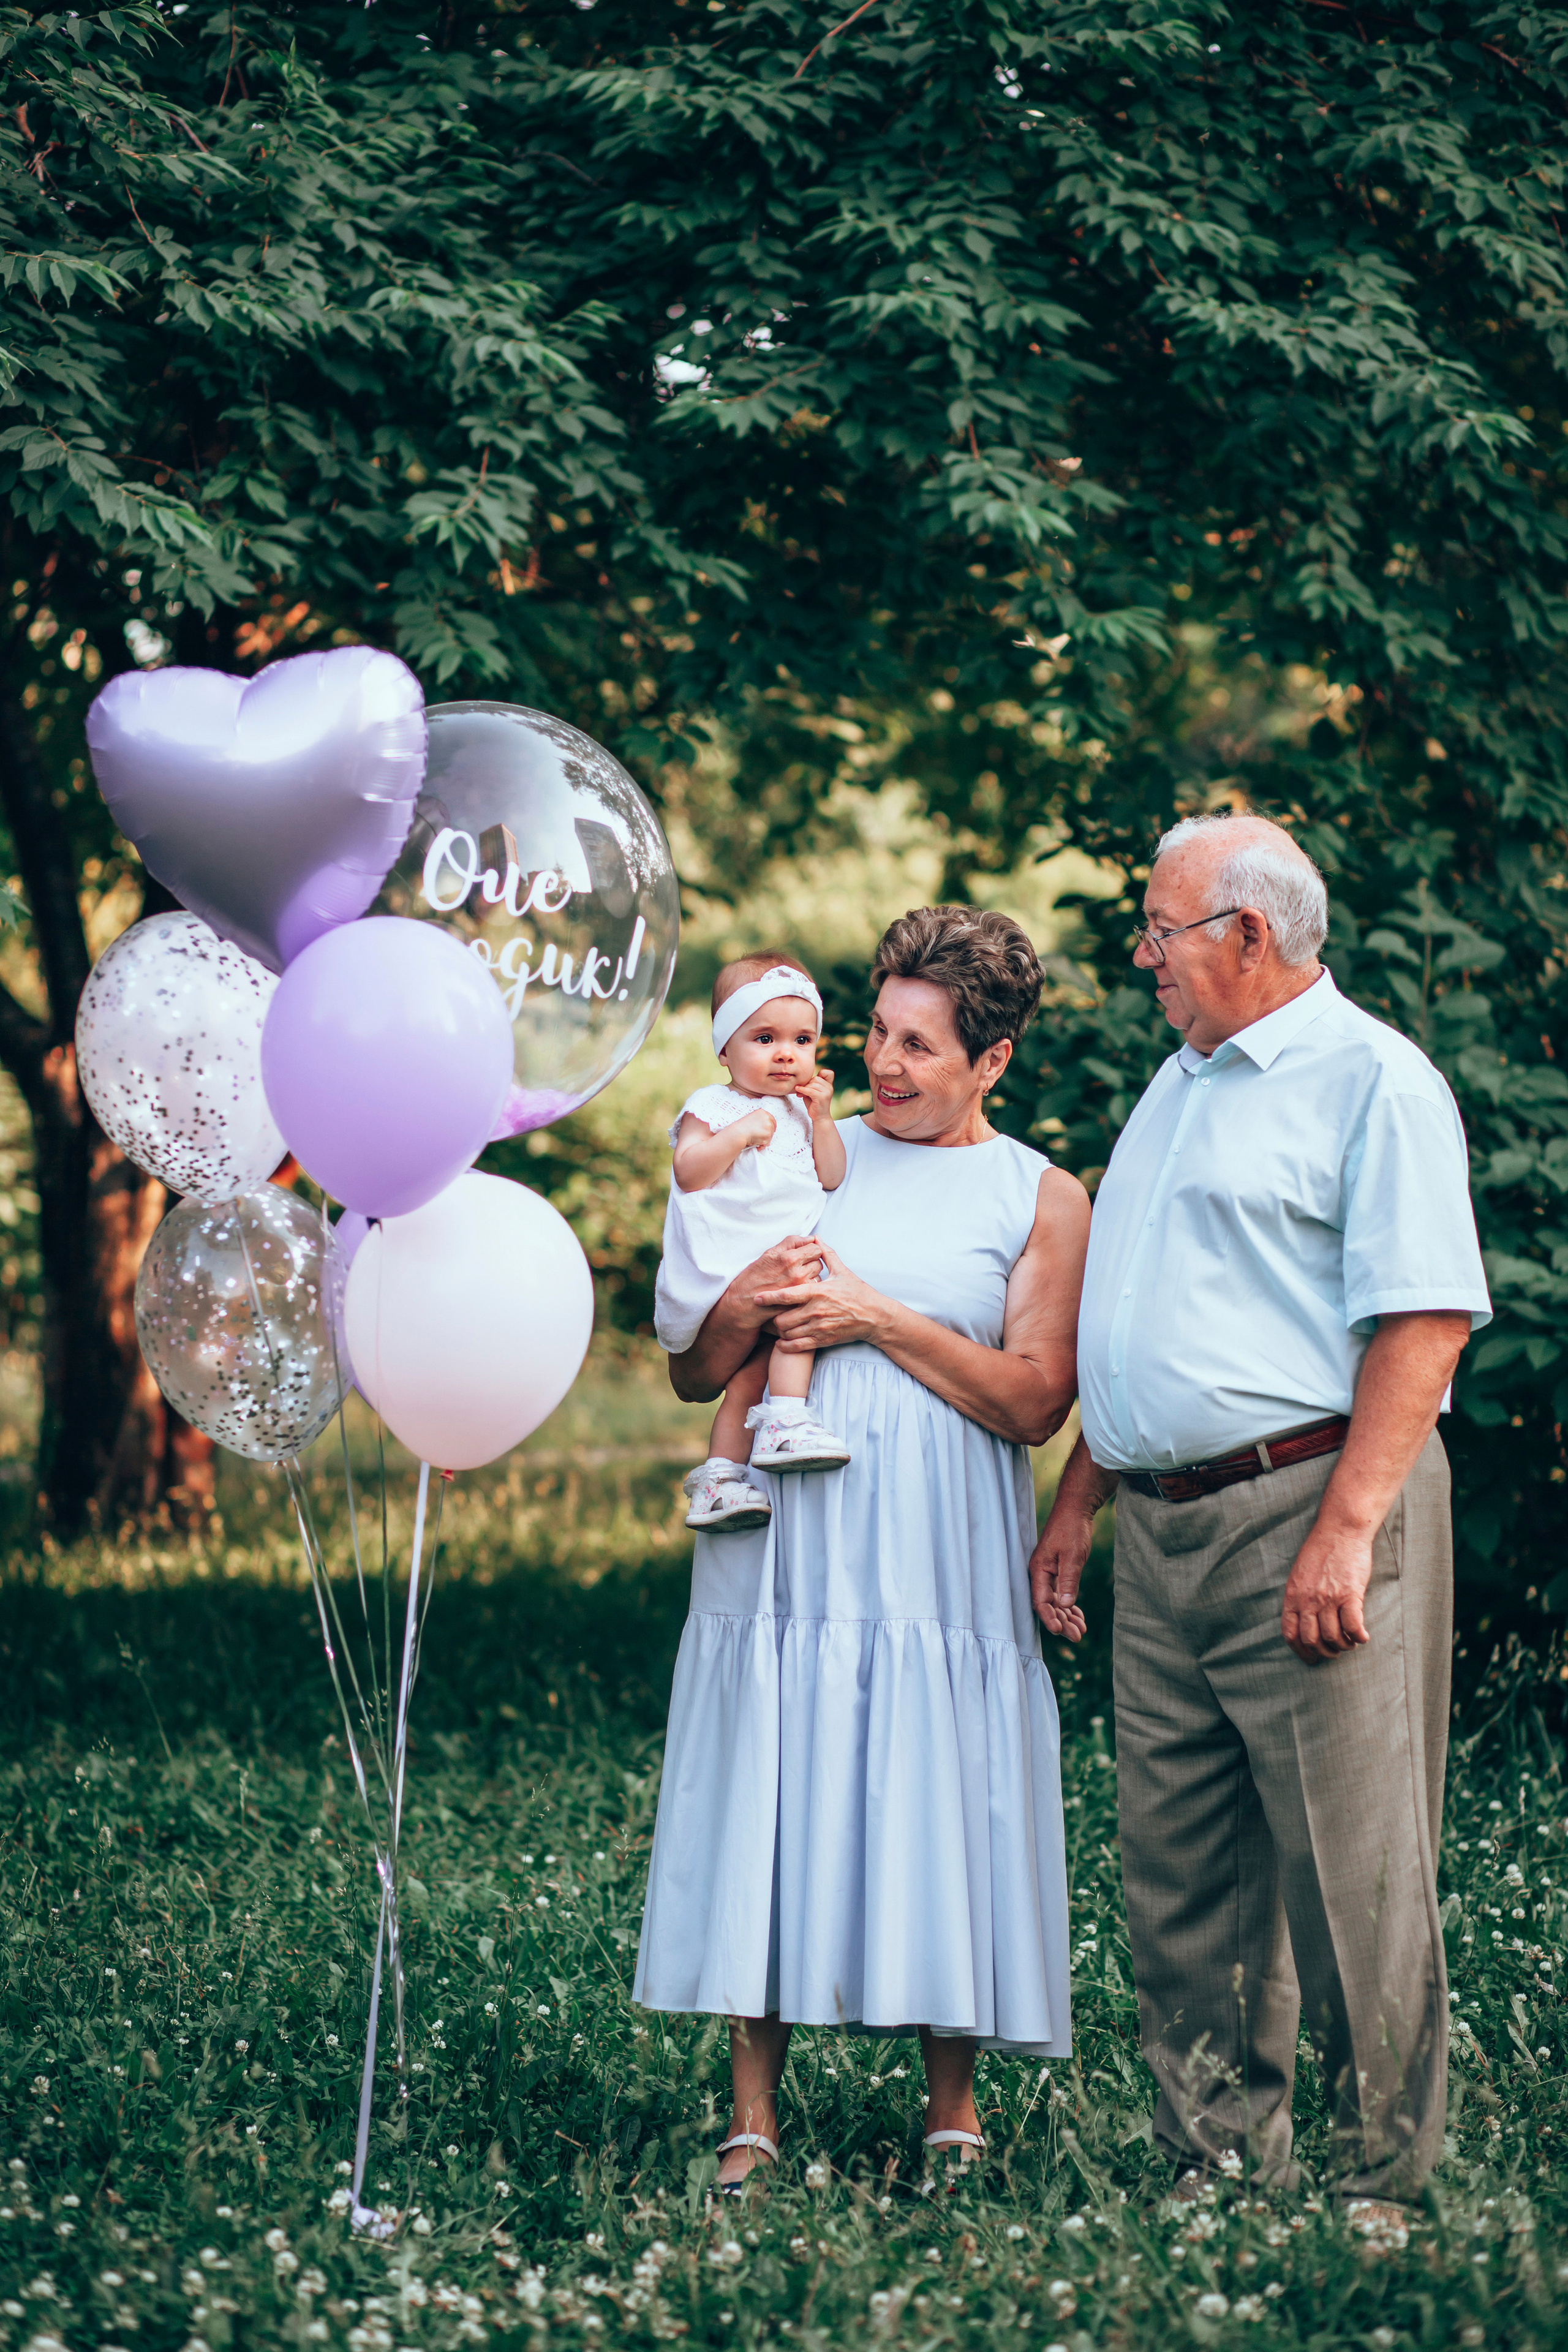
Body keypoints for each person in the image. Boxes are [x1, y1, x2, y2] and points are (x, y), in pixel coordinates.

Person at [1030, 812, 1491, 2209]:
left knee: (1349, 1871)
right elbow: (1141, 1310)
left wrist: (1345, 1528)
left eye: (1157, 928)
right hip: (1159, 1527)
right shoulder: (1178, 1081)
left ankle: (1381, 2186)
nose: (1139, 952)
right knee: (1179, 1879)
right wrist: (1076, 1501)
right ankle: (1216, 2161)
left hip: (1307, 1503)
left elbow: (1420, 1322)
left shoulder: (1372, 1083)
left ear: (1244, 933)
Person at [634, 906, 1091, 2190]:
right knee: (769, 1779)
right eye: (876, 1030)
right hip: (780, 1546)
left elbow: (1031, 1401)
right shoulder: (787, 1143)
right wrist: (752, 1302)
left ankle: (951, 2108)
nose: (881, 1064)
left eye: (919, 1046)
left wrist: (872, 1317)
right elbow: (687, 1371)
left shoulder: (1038, 1196)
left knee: (938, 1782)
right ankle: (750, 2116)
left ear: (990, 1063)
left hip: (938, 1560)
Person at [654, 953, 853, 1533]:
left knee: (752, 1376)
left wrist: (821, 1118)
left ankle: (722, 1476)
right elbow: (690, 1172)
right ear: (725, 1049)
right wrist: (738, 1134)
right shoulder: (713, 1105)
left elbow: (832, 1175)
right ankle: (783, 1423)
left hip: (783, 1259)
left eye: (802, 1039)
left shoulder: (801, 1109)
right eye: (764, 1038)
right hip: (733, 1263)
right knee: (793, 1328)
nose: (786, 1053)